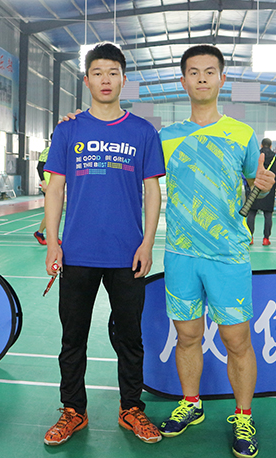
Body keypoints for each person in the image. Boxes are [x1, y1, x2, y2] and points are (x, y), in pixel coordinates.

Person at [43, 42, 165, 447]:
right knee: (72, 338)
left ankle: (131, 408)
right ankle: (73, 411)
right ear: (87, 80)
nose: (106, 80)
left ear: (123, 79)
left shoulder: (143, 132)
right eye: (98, 73)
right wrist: (53, 243)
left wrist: (147, 243)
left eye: (113, 72)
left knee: (130, 338)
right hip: (76, 253)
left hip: (127, 254)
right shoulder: (68, 129)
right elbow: (55, 188)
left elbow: (153, 191)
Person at [156, 45, 275, 458]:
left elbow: (256, 184)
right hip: (181, 253)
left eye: (210, 71)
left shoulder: (242, 134)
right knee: (187, 336)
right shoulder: (165, 138)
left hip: (228, 253)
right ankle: (191, 404)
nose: (202, 78)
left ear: (222, 79)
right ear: (183, 81)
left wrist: (263, 184)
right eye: (194, 72)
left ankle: (243, 415)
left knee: (236, 339)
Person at [246, 138, 276, 246]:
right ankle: (266, 239)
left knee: (251, 214)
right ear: (271, 146)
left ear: (261, 145)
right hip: (269, 190)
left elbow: (248, 171)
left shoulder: (256, 156)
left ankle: (250, 238)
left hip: (254, 188)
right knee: (268, 215)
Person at [34, 134, 52, 244]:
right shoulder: (48, 151)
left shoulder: (63, 151)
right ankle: (40, 233)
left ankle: (52, 235)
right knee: (52, 212)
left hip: (58, 185)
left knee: (56, 212)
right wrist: (43, 182)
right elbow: (39, 166)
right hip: (49, 185)